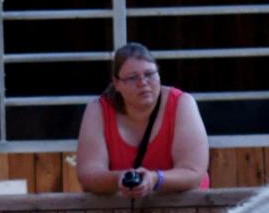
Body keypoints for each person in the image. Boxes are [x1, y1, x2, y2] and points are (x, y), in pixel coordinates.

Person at [76, 43, 210, 196]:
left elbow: (193, 173)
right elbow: (88, 174)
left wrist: (155, 179)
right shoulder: (98, 109)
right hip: (122, 206)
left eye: (149, 74)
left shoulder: (182, 103)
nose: (143, 82)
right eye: (133, 77)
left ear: (159, 75)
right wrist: (118, 179)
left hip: (185, 206)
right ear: (117, 83)